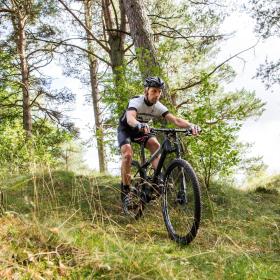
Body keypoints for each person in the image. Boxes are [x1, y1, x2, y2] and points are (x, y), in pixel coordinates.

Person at [117, 77, 200, 210]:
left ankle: (158, 180)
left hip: (143, 129)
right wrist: (139, 124)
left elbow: (176, 121)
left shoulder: (159, 107)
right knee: (127, 154)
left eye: (159, 92)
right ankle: (126, 190)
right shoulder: (136, 101)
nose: (156, 95)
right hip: (127, 129)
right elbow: (130, 118)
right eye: (154, 91)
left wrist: (191, 125)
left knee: (155, 145)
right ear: (146, 91)